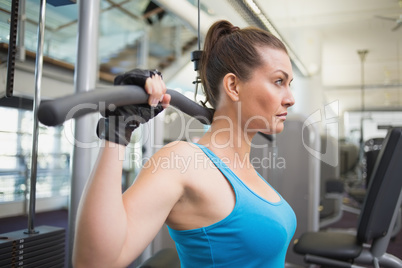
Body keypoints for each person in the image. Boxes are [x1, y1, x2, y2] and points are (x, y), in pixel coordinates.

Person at [73, 19, 296, 268]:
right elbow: (93, 262)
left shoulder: (246, 167)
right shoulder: (183, 162)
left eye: (289, 84)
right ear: (233, 86)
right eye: (279, 81)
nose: (290, 99)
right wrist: (117, 131)